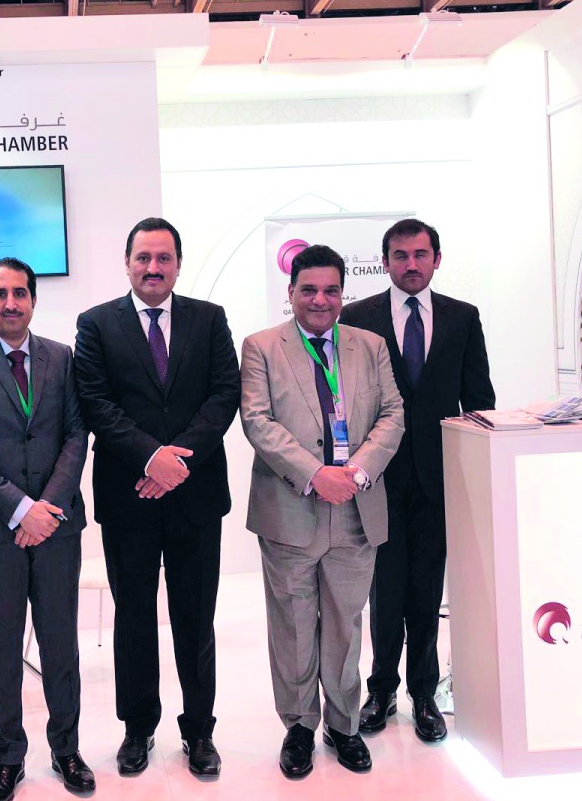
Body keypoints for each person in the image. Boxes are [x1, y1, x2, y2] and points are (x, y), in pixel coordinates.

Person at [74, 217, 240, 778]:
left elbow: (224, 396)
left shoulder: (208, 319)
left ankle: (200, 731)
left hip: (194, 496)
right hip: (129, 496)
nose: (152, 267)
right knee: (135, 616)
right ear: (127, 263)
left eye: (163, 258)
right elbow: (95, 403)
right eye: (143, 257)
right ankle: (137, 727)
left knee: (196, 619)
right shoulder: (96, 324)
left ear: (177, 264)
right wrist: (151, 458)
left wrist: (176, 461)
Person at [240, 244, 404, 778]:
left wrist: (354, 473)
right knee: (290, 624)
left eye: (331, 290)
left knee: (345, 623)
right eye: (308, 289)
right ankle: (299, 727)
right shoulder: (262, 347)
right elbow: (258, 421)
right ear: (290, 293)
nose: (320, 299)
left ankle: (343, 724)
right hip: (290, 509)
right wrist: (316, 474)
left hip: (356, 508)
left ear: (342, 293)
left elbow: (393, 414)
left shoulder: (370, 345)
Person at [0, 258, 92, 801]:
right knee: (0, 648)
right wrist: (18, 508)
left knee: (60, 644)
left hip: (55, 527)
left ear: (33, 299)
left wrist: (45, 507)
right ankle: (8, 757)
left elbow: (77, 435)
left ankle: (66, 748)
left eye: (20, 293)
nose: (11, 302)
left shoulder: (62, 357)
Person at [339, 218, 494, 743]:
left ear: (436, 259)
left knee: (426, 589)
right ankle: (380, 689)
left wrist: (475, 472)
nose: (411, 264)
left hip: (438, 477)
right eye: (400, 255)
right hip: (375, 476)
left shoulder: (462, 318)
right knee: (384, 587)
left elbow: (479, 401)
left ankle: (424, 694)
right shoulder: (356, 319)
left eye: (420, 254)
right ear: (384, 262)